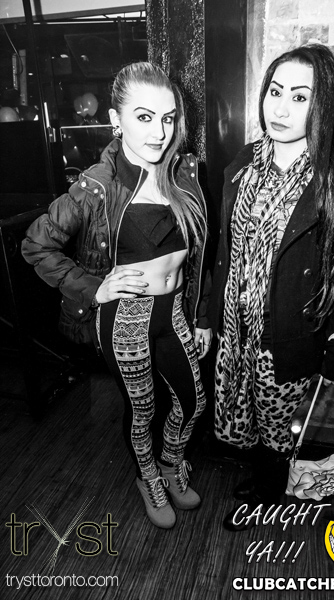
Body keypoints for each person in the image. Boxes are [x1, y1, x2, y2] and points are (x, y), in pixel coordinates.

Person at [22, 61, 212, 529]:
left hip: (176, 310)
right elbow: (35, 244)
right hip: (127, 316)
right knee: (143, 409)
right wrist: (93, 287)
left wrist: (203, 315)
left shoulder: (184, 172)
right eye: (144, 117)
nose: (159, 133)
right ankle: (148, 478)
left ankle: (171, 463)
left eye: (168, 118)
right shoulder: (98, 183)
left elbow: (202, 255)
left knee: (193, 402)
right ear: (115, 119)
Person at [207, 44, 334, 531]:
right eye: (275, 92)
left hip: (290, 333)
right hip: (237, 330)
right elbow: (224, 250)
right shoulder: (242, 165)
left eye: (300, 98)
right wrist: (206, 316)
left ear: (324, 106)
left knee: (282, 428)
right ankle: (264, 478)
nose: (280, 109)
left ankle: (271, 492)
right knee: (246, 417)